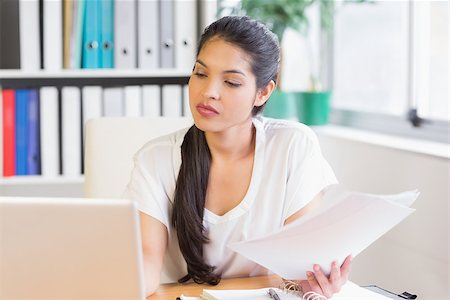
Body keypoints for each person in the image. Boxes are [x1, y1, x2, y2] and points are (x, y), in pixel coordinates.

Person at [123, 15, 352, 298]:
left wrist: (310, 282)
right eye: (200, 73)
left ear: (263, 92)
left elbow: (296, 275)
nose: (208, 92)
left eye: (231, 82)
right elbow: (143, 270)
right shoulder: (154, 160)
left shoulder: (293, 147)